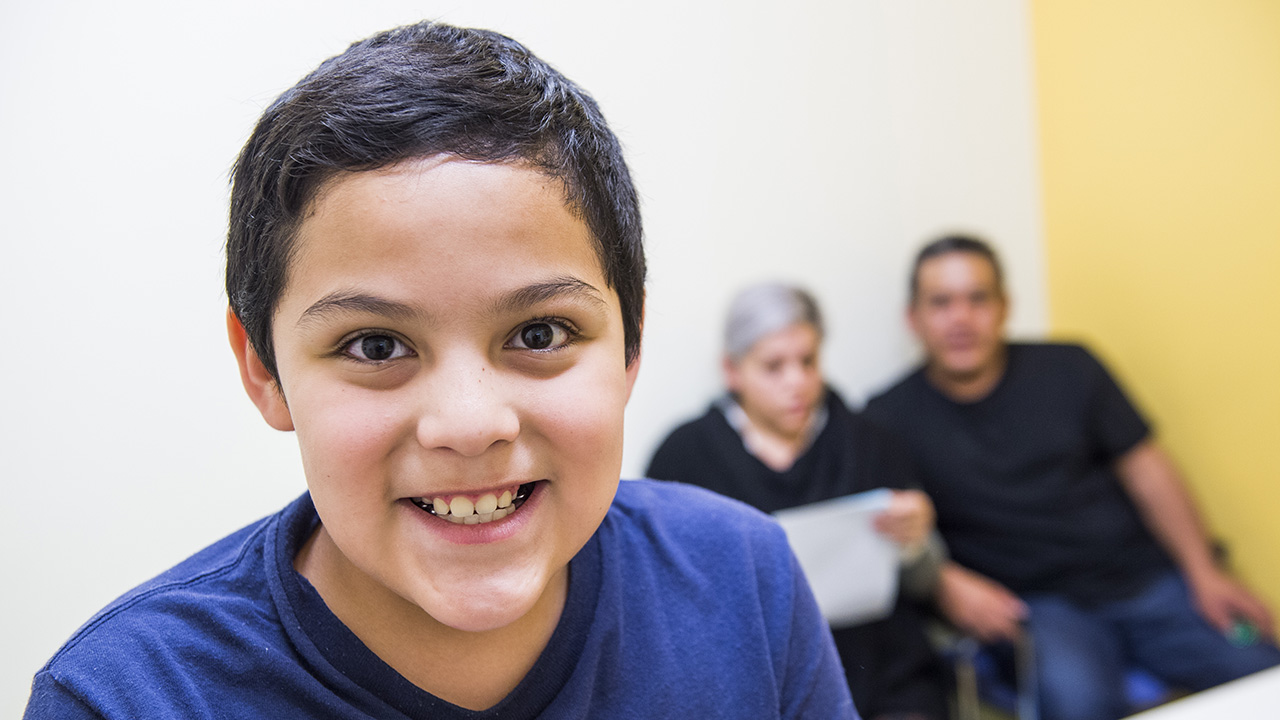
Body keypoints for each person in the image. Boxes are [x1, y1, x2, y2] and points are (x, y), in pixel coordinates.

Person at [23, 23, 856, 719]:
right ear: (264, 371)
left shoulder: (745, 580)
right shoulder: (127, 698)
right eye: (376, 347)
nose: (469, 423)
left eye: (539, 333)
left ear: (631, 340)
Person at [863, 234, 1280, 720]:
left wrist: (1204, 571)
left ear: (1004, 307)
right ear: (913, 318)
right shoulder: (887, 418)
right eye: (941, 303)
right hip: (1037, 609)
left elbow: (1148, 470)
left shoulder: (1071, 367)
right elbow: (898, 532)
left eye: (978, 298)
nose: (961, 318)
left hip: (1146, 582)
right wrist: (945, 583)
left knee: (1260, 669)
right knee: (1079, 704)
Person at [647, 283, 948, 720]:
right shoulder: (686, 456)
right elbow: (661, 600)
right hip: (748, 681)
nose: (798, 382)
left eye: (808, 362)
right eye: (774, 366)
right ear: (733, 370)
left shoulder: (870, 443)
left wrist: (918, 542)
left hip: (880, 673)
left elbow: (926, 583)